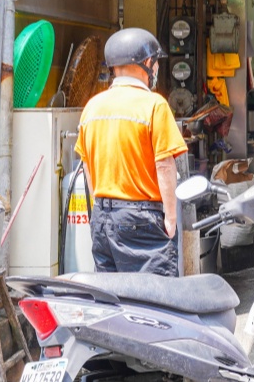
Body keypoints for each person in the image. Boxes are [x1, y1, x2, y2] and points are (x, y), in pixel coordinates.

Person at [76, 28, 187, 276]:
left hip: (103, 219)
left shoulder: (92, 107)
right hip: (142, 219)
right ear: (147, 63)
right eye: (156, 62)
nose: (156, 68)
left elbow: (86, 166)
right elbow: (165, 165)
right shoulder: (154, 105)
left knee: (113, 299)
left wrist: (101, 210)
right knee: (153, 300)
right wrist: (170, 218)